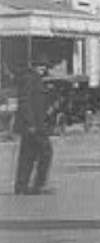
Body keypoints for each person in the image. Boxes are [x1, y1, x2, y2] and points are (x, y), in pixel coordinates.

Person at [13, 60, 54, 195]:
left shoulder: (35, 78)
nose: (44, 69)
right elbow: (25, 101)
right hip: (33, 125)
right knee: (45, 152)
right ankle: (37, 185)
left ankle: (22, 186)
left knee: (28, 155)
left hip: (35, 124)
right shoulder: (31, 78)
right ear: (36, 67)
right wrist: (30, 123)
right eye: (42, 67)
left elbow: (37, 100)